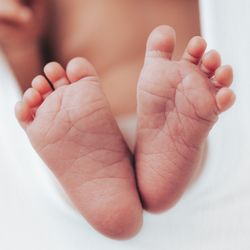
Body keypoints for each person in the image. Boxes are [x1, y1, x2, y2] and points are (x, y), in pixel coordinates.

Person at [0, 0, 235, 239]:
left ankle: (152, 164)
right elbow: (22, 84)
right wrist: (20, 44)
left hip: (177, 99)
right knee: (55, 110)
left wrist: (22, 50)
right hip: (92, 121)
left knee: (197, 117)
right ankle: (105, 164)